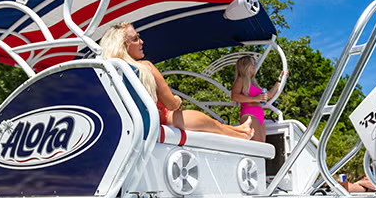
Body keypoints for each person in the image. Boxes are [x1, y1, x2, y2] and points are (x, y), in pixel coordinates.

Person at [99, 23, 253, 140]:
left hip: (127, 130)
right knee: (215, 126)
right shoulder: (145, 68)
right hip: (166, 121)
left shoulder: (105, 73)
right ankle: (243, 134)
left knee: (217, 125)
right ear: (123, 46)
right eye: (135, 39)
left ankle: (241, 128)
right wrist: (178, 100)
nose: (142, 41)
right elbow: (171, 104)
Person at [231, 56, 285, 142]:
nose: (255, 66)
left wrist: (280, 80)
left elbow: (270, 94)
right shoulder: (240, 80)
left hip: (259, 116)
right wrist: (255, 98)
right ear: (246, 65)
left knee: (262, 144)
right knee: (259, 144)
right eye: (253, 63)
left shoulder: (253, 83)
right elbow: (235, 96)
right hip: (249, 114)